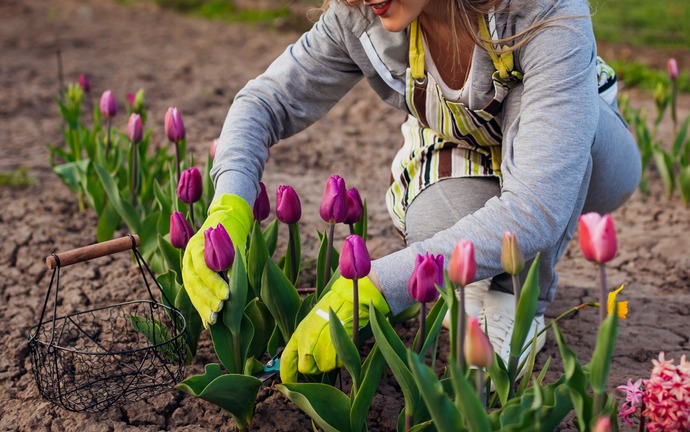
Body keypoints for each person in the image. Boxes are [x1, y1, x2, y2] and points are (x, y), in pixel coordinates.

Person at [182, 0, 641, 382]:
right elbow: (263, 101)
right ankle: (482, 284)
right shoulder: (360, 14)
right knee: (431, 227)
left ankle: (521, 296)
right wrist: (231, 204)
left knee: (548, 167)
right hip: (467, 147)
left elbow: (539, 203)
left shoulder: (541, 10)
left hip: (583, 154)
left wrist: (380, 285)